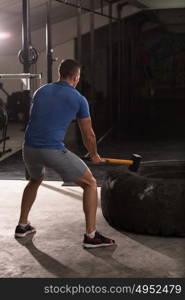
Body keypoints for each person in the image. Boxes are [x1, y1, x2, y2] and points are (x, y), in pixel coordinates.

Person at [15, 59, 115, 248]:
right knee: (90, 184)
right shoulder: (78, 99)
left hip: (28, 148)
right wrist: (94, 154)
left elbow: (40, 118)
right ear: (76, 77)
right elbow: (89, 135)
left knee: (35, 180)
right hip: (51, 149)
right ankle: (91, 236)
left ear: (60, 74)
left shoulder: (41, 91)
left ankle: (22, 226)